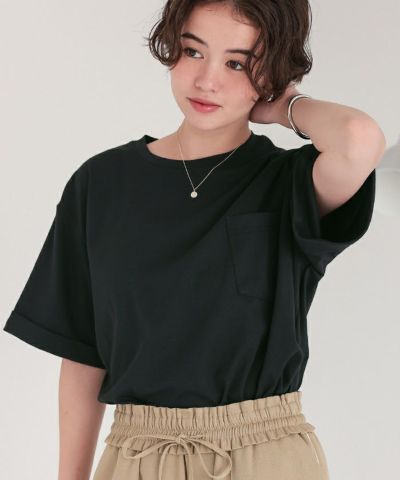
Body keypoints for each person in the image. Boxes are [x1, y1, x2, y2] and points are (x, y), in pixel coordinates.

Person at [3, 1, 385, 479]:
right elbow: (82, 354)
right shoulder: (101, 184)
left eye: (238, 63)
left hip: (263, 456)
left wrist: (283, 106)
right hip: (136, 457)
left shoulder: (288, 184)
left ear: (272, 70)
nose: (208, 81)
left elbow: (359, 139)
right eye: (193, 52)